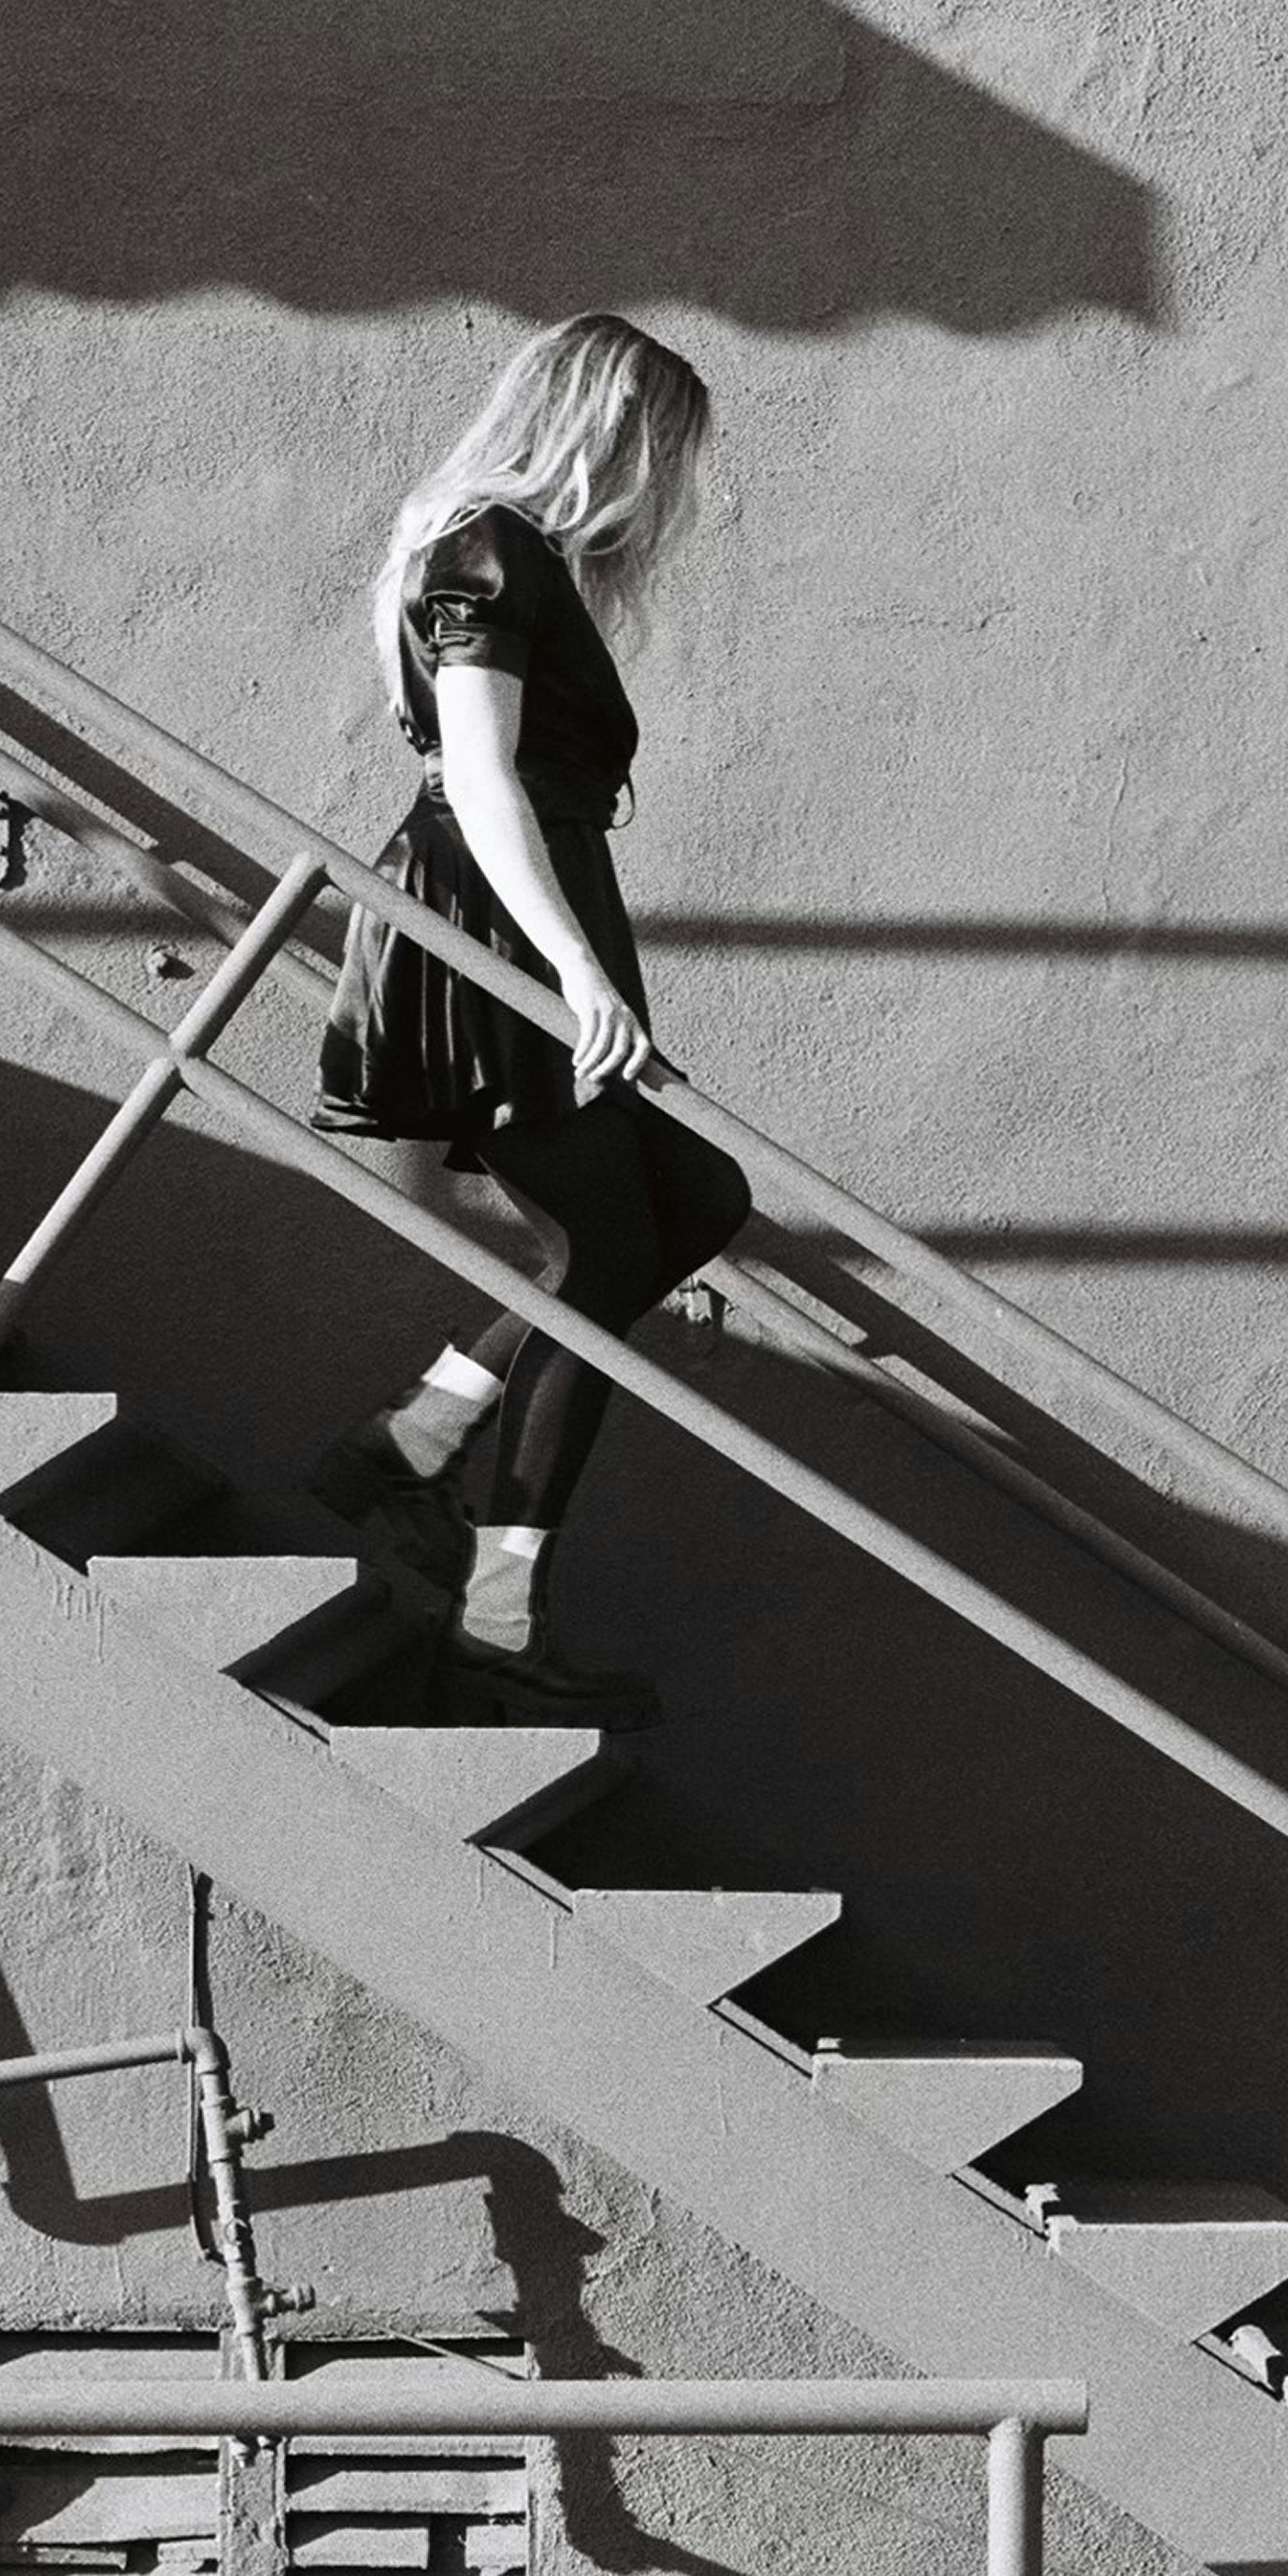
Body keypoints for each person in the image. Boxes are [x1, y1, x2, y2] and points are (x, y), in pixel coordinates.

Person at [307, 315, 750, 1729]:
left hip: (535, 907)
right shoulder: (486, 550)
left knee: (686, 1201)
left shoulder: (500, 553)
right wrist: (573, 970)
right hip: (497, 922)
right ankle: (493, 1601)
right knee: (619, 1234)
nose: (664, 490)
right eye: (659, 453)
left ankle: (414, 1440)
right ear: (604, 432)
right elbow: (482, 777)